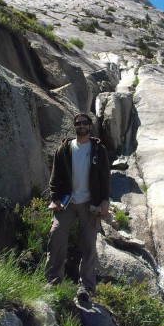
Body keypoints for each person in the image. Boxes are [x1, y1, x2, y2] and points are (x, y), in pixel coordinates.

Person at [45, 112, 110, 302]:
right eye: (78, 123)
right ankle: (53, 280)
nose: (81, 126)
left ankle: (86, 287)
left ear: (90, 126)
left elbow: (105, 177)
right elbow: (55, 177)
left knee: (89, 244)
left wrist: (105, 200)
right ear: (74, 127)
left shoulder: (98, 150)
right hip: (67, 202)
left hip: (90, 203)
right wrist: (55, 198)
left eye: (85, 123)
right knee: (56, 235)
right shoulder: (64, 149)